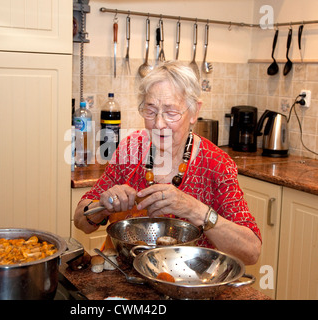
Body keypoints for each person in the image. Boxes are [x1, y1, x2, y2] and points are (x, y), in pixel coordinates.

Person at [74, 61, 261, 265]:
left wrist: (196, 211)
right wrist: (104, 205)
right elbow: (80, 220)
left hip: (190, 283)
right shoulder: (131, 149)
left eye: (171, 113)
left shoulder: (216, 163)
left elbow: (251, 251)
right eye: (151, 111)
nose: (159, 123)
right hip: (128, 276)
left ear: (194, 112)